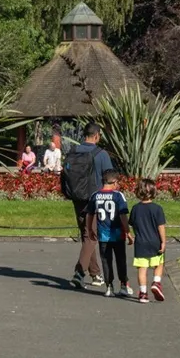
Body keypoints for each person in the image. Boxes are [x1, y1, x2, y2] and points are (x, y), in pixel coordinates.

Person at [61, 121, 113, 289]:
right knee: (92, 236)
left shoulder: (73, 151)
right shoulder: (101, 154)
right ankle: (79, 272)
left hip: (77, 198)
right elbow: (110, 179)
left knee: (86, 235)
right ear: (97, 135)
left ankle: (96, 274)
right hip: (95, 199)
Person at [91, 169, 132, 298]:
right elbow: (123, 215)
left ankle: (109, 286)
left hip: (103, 234)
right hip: (118, 234)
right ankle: (124, 285)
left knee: (106, 260)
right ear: (114, 182)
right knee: (121, 259)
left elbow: (89, 214)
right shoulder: (118, 195)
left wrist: (90, 229)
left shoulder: (95, 195)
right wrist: (128, 232)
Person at [129, 178, 167, 303]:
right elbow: (160, 226)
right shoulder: (157, 209)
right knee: (159, 263)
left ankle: (143, 293)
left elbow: (132, 224)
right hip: (154, 241)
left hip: (141, 242)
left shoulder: (135, 208)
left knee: (142, 269)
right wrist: (163, 241)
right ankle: (156, 282)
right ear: (154, 191)